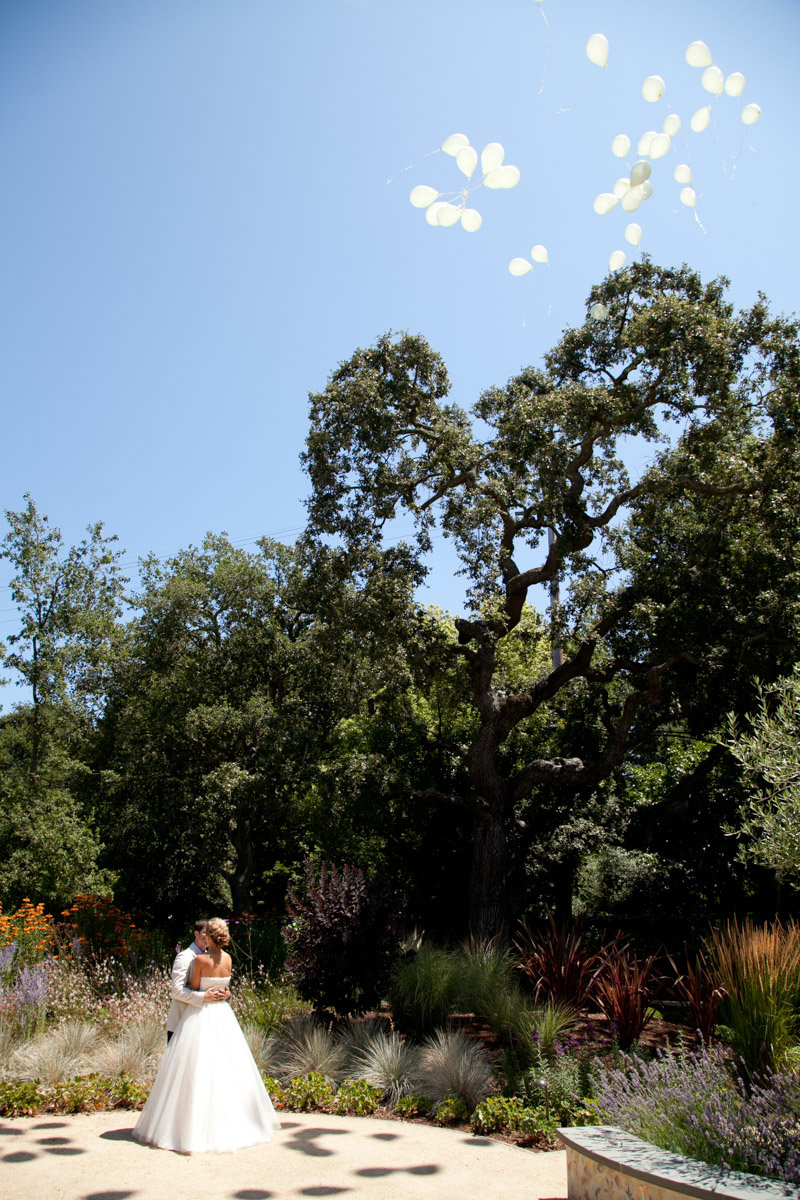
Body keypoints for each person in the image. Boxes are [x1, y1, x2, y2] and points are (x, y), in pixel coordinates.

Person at [133, 917, 281, 1154]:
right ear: (198, 934)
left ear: (209, 936)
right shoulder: (208, 958)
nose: (203, 938)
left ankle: (197, 1130)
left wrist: (214, 995)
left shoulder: (201, 960)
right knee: (202, 1074)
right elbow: (179, 990)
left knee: (208, 1074)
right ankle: (196, 1126)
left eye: (206, 934)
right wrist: (212, 995)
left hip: (199, 1020)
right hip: (215, 1018)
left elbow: (196, 986)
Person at [166, 919, 229, 1041]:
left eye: (210, 933)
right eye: (205, 932)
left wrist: (226, 994)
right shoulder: (184, 957)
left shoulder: (215, 958)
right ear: (196, 934)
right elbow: (176, 991)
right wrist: (203, 997)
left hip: (204, 1025)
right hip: (181, 1023)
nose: (208, 936)